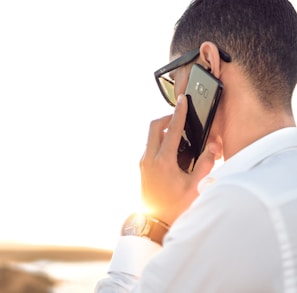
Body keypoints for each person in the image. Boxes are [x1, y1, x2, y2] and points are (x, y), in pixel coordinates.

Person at [95, 0, 297, 292]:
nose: (173, 98)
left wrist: (154, 223)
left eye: (174, 81)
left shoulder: (238, 204)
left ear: (208, 64)